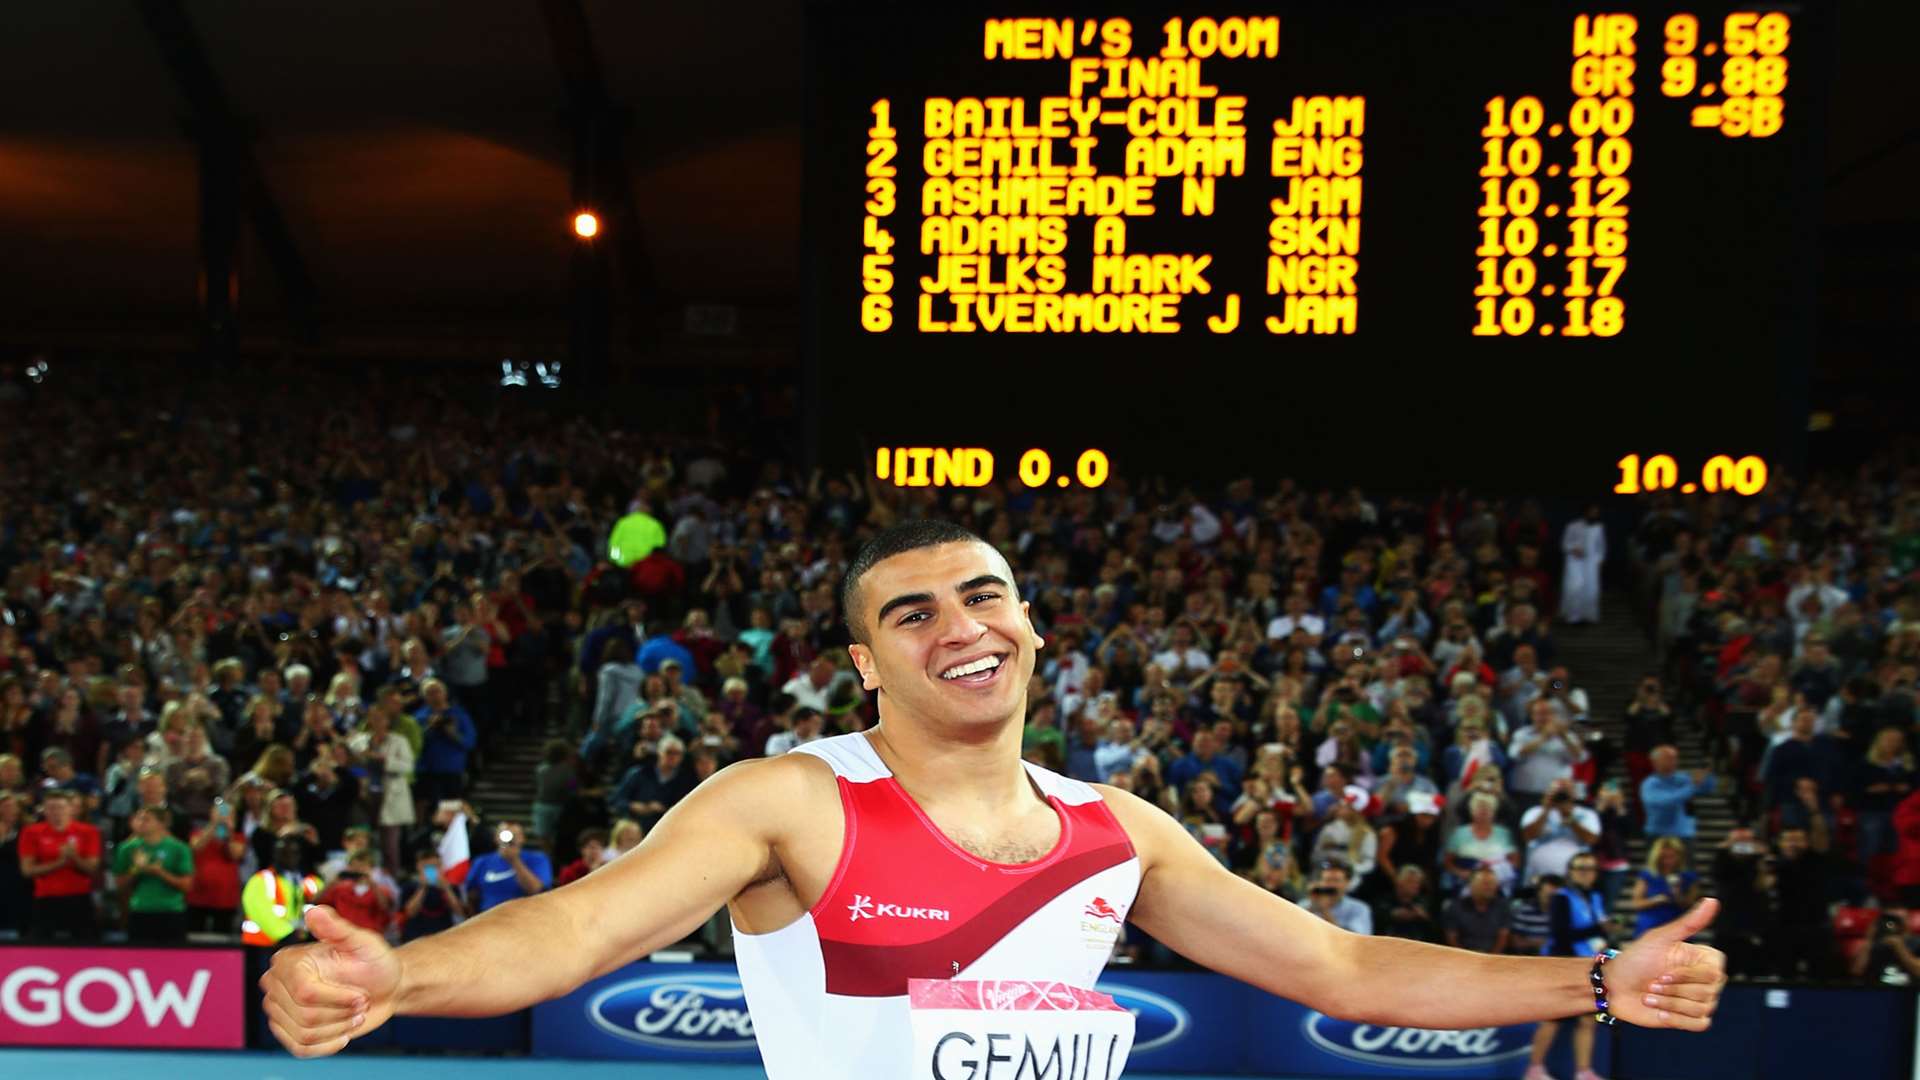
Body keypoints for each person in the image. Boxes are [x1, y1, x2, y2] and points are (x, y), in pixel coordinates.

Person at [260, 522, 1728, 1071]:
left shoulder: (1118, 830)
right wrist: (401, 974)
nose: (961, 625)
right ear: (862, 661)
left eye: (986, 595)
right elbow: (578, 934)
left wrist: (1596, 979)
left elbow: (1341, 964)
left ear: (1030, 623)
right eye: (913, 613)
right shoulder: (790, 801)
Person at [1527, 855, 1610, 1080]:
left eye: (1590, 868)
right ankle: (1534, 1069)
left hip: (1589, 964)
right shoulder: (1561, 897)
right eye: (1580, 868)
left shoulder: (1595, 896)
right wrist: (1597, 929)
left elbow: (1600, 930)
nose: (1585, 872)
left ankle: (1584, 1071)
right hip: (1562, 964)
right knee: (1553, 1018)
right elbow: (1561, 935)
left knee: (1586, 1020)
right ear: (1570, 872)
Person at [18, 789, 101, 941]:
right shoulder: (31, 832)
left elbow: (92, 869)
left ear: (71, 809)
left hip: (79, 899)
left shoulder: (88, 831)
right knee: (39, 947)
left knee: (87, 947)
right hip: (45, 899)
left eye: (61, 807)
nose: (56, 812)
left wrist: (74, 858)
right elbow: (27, 870)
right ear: (44, 810)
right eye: (51, 808)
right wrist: (60, 862)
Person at [114, 805, 194, 943]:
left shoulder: (179, 848)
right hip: (140, 911)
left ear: (162, 823)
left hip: (171, 912)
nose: (140, 823)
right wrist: (136, 870)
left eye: (146, 820)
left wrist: (160, 872)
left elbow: (187, 885)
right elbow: (120, 886)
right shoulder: (127, 848)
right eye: (139, 819)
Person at [464, 821, 551, 914]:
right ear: (496, 837)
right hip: (489, 917)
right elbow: (471, 895)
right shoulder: (482, 861)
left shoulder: (538, 859)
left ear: (522, 838)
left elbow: (537, 891)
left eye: (515, 835)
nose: (510, 839)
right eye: (504, 834)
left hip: (523, 917)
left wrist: (515, 861)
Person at [1623, 837, 1701, 939]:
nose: (1668, 861)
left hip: (1678, 925)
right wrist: (1657, 900)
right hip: (1651, 926)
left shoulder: (1689, 877)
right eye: (1664, 857)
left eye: (1672, 856)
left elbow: (1693, 905)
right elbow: (1637, 903)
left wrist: (1678, 895)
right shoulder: (1648, 875)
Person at [1639, 746, 1714, 842]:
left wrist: (1706, 775)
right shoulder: (1649, 784)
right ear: (1655, 762)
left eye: (1675, 758)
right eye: (1669, 758)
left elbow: (1707, 788)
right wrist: (1692, 786)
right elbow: (1666, 802)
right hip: (1658, 835)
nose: (1674, 761)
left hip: (1684, 834)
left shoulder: (1683, 778)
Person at [400, 850, 467, 942]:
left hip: (444, 937)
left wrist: (446, 889)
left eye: (436, 866)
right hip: (416, 939)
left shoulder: (451, 887)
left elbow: (459, 912)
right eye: (427, 867)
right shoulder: (409, 886)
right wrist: (422, 887)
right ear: (418, 867)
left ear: (441, 866)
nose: (432, 871)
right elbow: (410, 912)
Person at [1444, 865, 1512, 953]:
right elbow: (1451, 937)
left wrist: (1491, 958)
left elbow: (1503, 936)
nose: (1489, 887)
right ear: (1471, 885)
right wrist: (1466, 957)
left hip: (1494, 957)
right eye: (1485, 884)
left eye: (1492, 883)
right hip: (1462, 956)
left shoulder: (1503, 906)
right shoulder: (1455, 907)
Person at [1297, 860, 1373, 935]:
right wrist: (1312, 906)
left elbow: (1354, 939)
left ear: (1347, 883)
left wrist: (1324, 911)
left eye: (1336, 880)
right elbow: (1294, 931)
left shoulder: (1359, 909)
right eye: (1327, 880)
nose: (1331, 885)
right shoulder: (1304, 905)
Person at [1558, 507, 1605, 625]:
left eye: (1595, 513)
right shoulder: (1573, 526)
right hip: (1575, 562)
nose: (1593, 514)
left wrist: (1599, 561)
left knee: (1590, 589)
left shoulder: (1599, 528)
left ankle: (1588, 616)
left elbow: (1601, 546)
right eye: (1591, 512)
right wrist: (1573, 549)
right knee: (1575, 587)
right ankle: (1573, 616)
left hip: (1591, 565)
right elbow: (1565, 544)